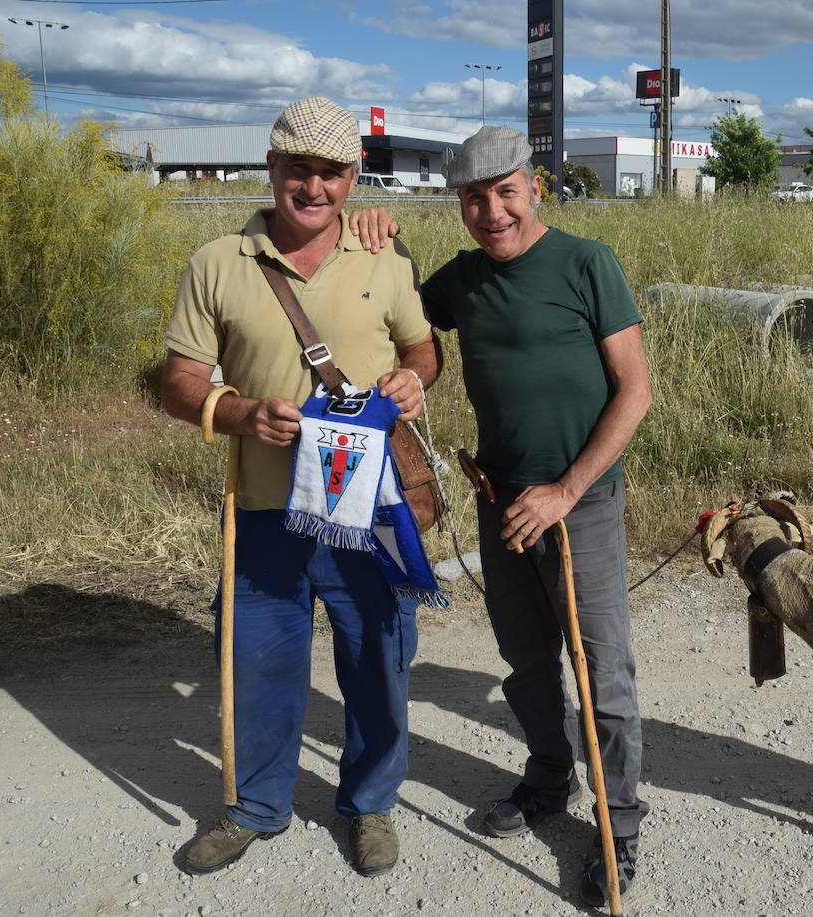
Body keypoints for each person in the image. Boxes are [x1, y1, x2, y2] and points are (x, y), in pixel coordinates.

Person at [361, 125, 651, 906]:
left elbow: (635, 391)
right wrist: (381, 240)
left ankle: (619, 819)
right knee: (527, 662)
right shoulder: (460, 280)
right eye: (473, 198)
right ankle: (549, 780)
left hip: (578, 503)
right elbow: (394, 322)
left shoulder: (588, 263)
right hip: (500, 502)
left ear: (534, 187)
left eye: (505, 192)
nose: (492, 212)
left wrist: (565, 488)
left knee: (601, 673)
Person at [160, 97, 438, 878]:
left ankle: (371, 803)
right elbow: (177, 382)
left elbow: (425, 351)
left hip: (366, 512)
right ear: (271, 167)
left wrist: (413, 382)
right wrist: (241, 412)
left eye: (331, 172)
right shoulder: (218, 261)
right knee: (256, 661)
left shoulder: (386, 257)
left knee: (379, 659)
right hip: (263, 512)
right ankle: (256, 805)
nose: (313, 187)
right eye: (298, 169)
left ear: (352, 177)